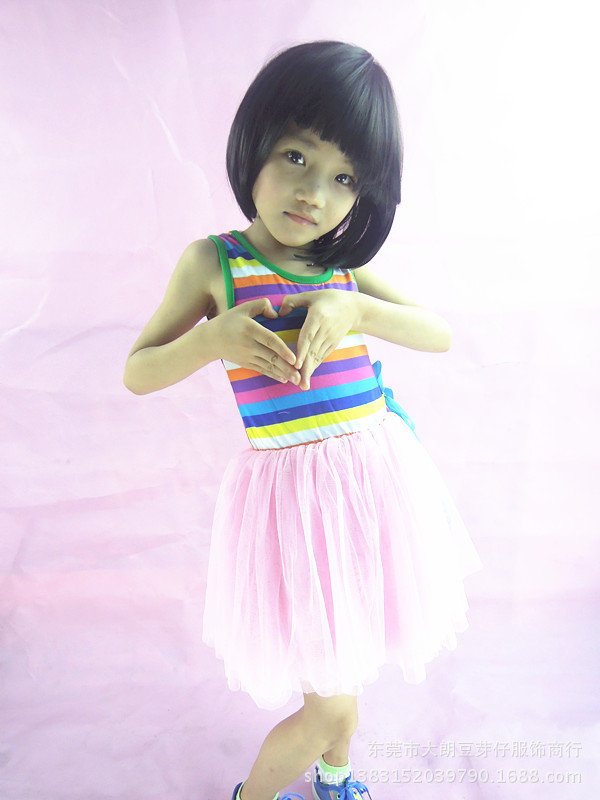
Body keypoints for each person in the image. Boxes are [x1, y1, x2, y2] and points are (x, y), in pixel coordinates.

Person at [123, 40, 481, 800]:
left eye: (344, 177)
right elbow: (139, 370)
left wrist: (355, 308)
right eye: (295, 156)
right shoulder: (214, 263)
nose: (314, 193)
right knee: (331, 705)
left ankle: (334, 779)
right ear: (254, 143)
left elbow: (440, 333)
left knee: (347, 668)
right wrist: (209, 340)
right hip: (295, 507)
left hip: (372, 489)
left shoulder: (339, 267)